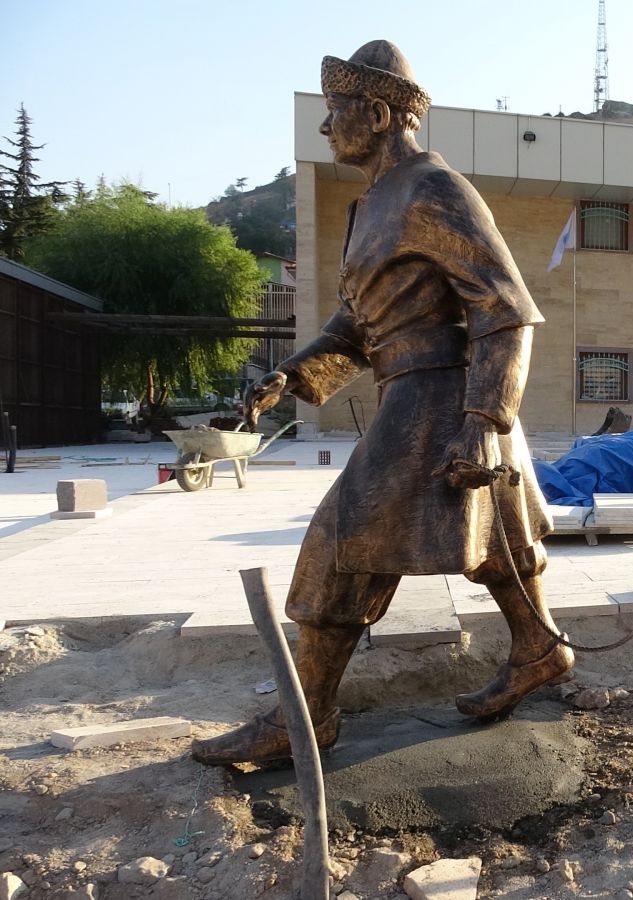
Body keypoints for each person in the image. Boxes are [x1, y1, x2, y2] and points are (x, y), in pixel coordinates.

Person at [193, 40, 572, 765]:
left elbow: (504, 310)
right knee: (490, 540)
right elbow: (356, 322)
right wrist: (292, 376)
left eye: (336, 112)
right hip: (411, 391)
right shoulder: (370, 204)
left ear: (376, 110)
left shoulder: (434, 188)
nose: (326, 128)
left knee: (340, 545)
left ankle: (305, 716)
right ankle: (537, 648)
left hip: (441, 397)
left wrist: (483, 422)